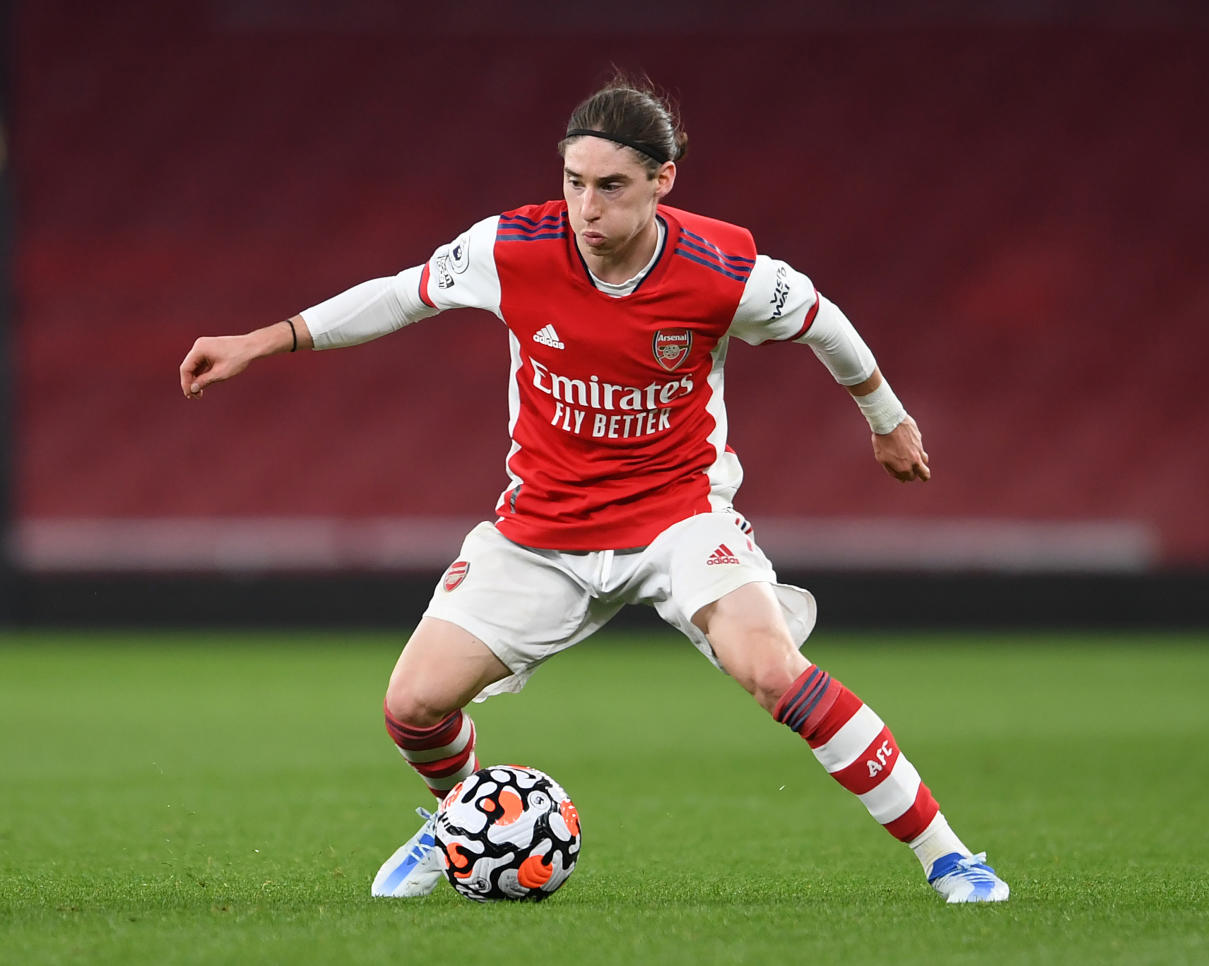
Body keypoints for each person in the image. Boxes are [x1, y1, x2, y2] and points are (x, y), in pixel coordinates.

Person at [179, 76, 1009, 904]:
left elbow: (823, 320)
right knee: (412, 707)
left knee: (772, 670)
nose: (587, 207)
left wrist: (886, 418)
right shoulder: (510, 248)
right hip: (541, 528)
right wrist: (262, 341)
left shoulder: (724, 270)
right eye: (574, 183)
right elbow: (400, 296)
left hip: (678, 518)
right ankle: (458, 823)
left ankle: (951, 858)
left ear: (663, 179)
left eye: (610, 186)